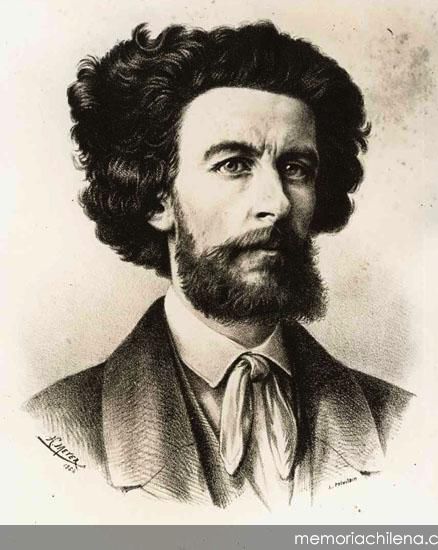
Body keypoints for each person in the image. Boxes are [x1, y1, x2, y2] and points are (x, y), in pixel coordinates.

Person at [26, 21, 412, 509]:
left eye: (296, 169)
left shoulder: (401, 422)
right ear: (158, 199)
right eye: (233, 165)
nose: (277, 204)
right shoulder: (51, 428)